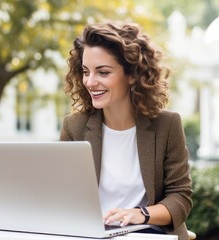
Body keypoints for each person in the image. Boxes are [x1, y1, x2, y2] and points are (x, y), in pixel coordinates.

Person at [59, 22, 193, 240]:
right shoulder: (74, 127)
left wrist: (141, 214)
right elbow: (64, 195)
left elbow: (180, 197)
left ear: (132, 74)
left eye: (102, 72)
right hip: (91, 235)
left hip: (148, 234)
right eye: (85, 72)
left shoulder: (166, 125)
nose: (90, 82)